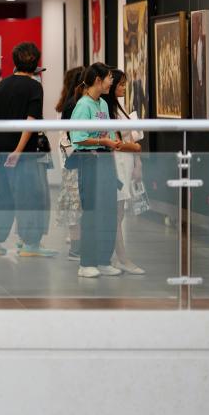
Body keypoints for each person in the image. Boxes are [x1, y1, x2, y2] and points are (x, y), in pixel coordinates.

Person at [0, 42, 55, 257]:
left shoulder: (2, 85)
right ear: (35, 63)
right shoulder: (34, 87)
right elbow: (30, 122)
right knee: (29, 197)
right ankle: (30, 244)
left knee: (1, 197)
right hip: (23, 155)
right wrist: (18, 151)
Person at [69, 62, 122, 278]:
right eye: (109, 78)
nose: (112, 82)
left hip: (105, 160)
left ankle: (103, 259)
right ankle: (87, 263)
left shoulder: (103, 104)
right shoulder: (83, 106)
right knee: (91, 211)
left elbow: (108, 132)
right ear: (98, 80)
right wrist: (103, 141)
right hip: (89, 161)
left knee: (109, 211)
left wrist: (113, 141)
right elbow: (78, 138)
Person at [102, 68, 145, 275]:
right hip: (116, 164)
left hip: (126, 163)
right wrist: (135, 148)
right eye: (120, 84)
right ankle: (121, 257)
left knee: (119, 214)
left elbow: (130, 137)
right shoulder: (106, 109)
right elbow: (115, 142)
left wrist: (137, 161)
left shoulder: (120, 106)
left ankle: (116, 256)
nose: (124, 88)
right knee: (117, 214)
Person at [55, 66, 85, 260]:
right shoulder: (72, 105)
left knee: (75, 201)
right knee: (76, 202)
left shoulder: (67, 103)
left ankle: (77, 242)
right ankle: (76, 246)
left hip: (69, 156)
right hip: (73, 157)